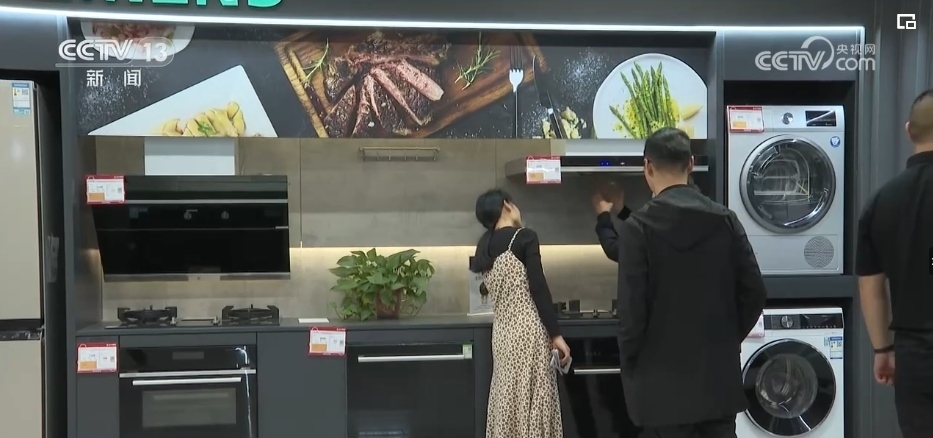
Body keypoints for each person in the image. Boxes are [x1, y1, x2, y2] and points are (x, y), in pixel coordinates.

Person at [614, 127, 767, 438]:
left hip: (660, 391)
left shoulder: (637, 227)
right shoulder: (725, 219)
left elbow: (632, 313)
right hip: (717, 387)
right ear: (691, 164)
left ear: (647, 166)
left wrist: (631, 366)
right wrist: (726, 339)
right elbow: (754, 293)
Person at [855, 89, 933, 438]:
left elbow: (871, 288)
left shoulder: (881, 201)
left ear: (908, 131)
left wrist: (883, 349)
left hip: (914, 356)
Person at [470, 188, 570, 438]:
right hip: (528, 332)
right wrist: (556, 335)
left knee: (508, 396)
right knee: (533, 397)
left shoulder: (484, 245)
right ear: (507, 205)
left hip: (502, 334)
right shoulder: (524, 237)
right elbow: (538, 288)